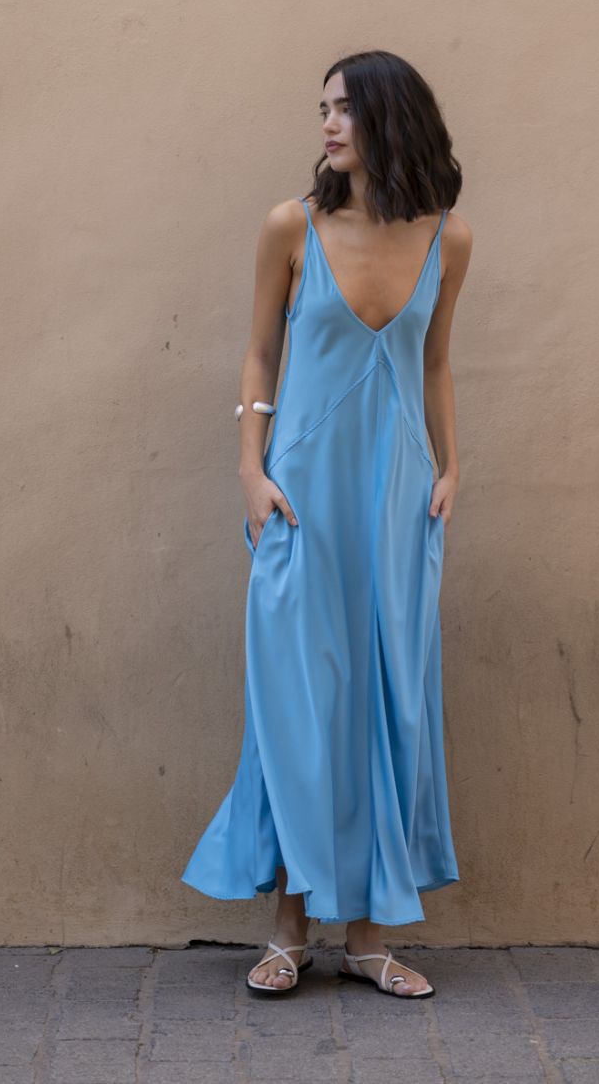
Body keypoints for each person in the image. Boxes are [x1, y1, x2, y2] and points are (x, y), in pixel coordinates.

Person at [181, 49, 473, 998]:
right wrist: (248, 473)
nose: (327, 124)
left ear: (391, 117)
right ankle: (287, 930)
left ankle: (370, 935)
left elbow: (434, 363)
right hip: (299, 496)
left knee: (388, 702)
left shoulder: (447, 238)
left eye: (344, 108)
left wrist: (452, 465)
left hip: (395, 499)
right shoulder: (290, 226)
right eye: (322, 109)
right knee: (299, 707)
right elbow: (259, 353)